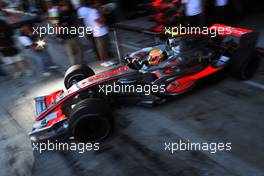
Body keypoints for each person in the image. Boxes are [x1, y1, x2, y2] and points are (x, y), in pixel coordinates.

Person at [58, 0, 84, 66]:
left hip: (74, 35)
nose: (65, 7)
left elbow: (75, 21)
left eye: (65, 5)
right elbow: (57, 27)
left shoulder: (72, 12)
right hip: (66, 38)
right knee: (71, 53)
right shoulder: (59, 16)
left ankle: (81, 63)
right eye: (62, 6)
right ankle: (74, 66)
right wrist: (60, 36)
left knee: (79, 50)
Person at [86, 0, 112, 66]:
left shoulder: (98, 10)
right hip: (99, 33)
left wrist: (103, 11)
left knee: (106, 47)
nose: (98, 4)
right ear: (93, 5)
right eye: (97, 3)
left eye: (99, 2)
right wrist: (103, 15)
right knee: (102, 49)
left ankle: (107, 60)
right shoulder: (93, 12)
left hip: (104, 31)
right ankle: (103, 62)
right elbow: (98, 22)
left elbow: (108, 12)